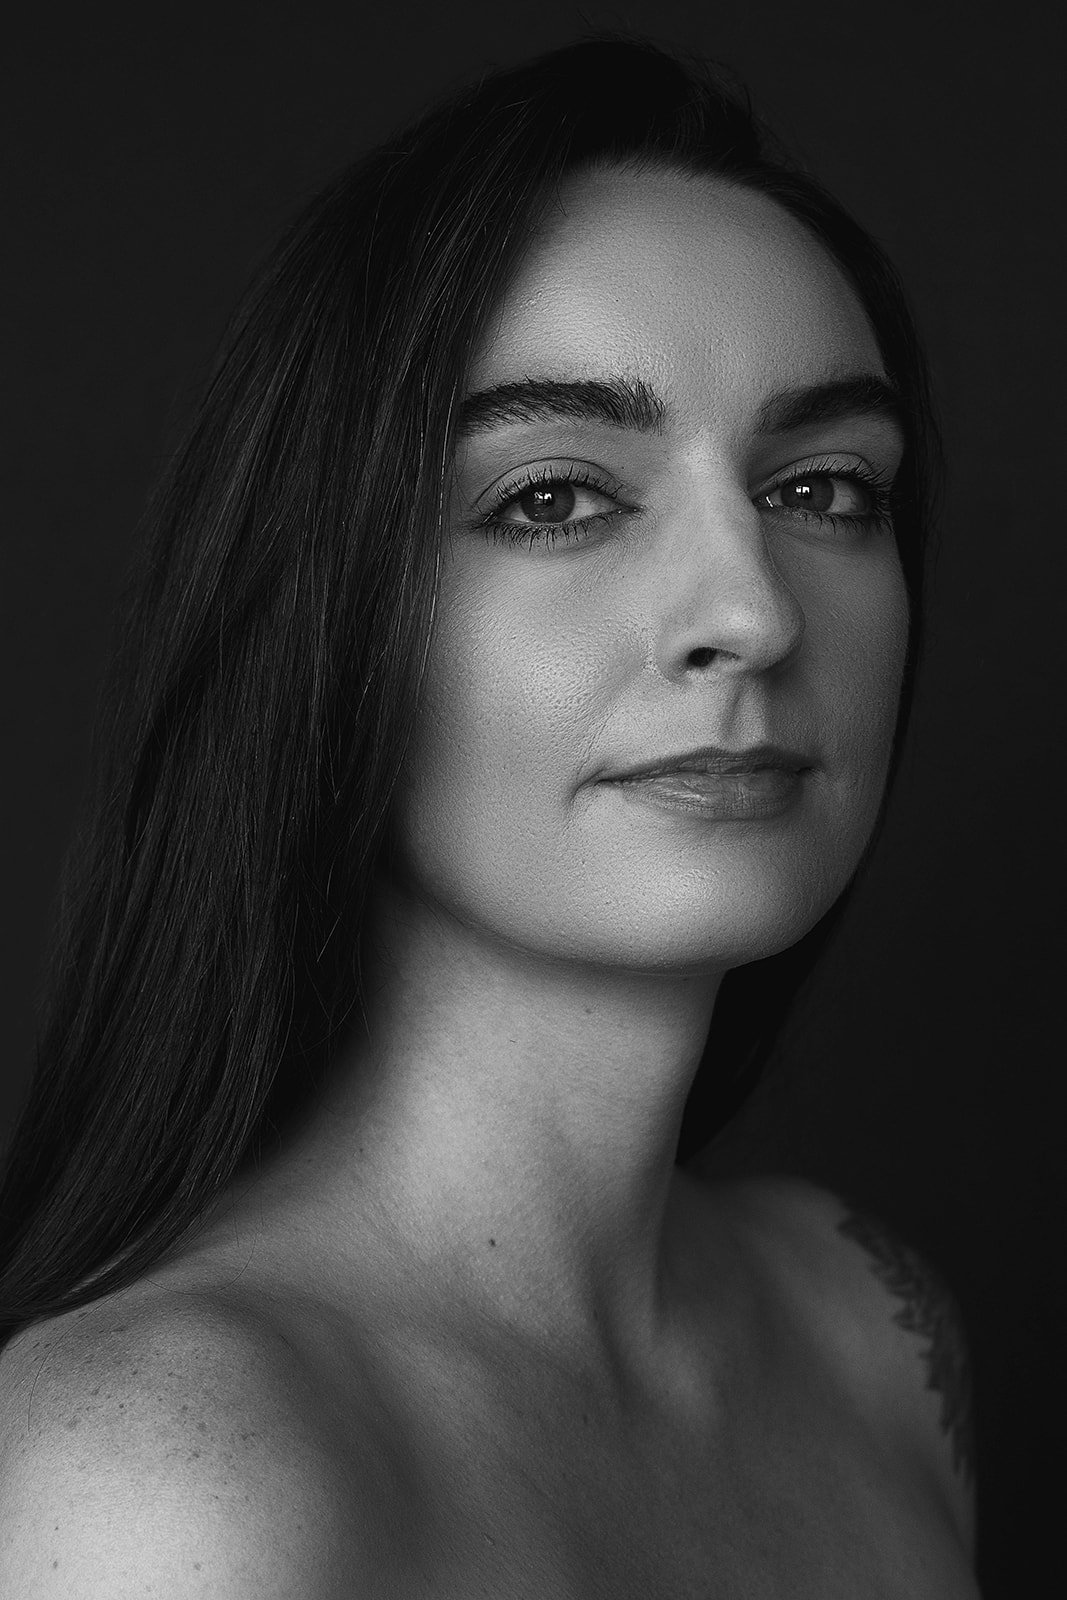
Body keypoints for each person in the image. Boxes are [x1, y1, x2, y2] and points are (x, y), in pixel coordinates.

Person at [0, 32, 978, 1598]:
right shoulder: (159, 1471)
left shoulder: (865, 1327)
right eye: (556, 498)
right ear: (321, 615)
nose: (752, 611)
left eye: (822, 490)